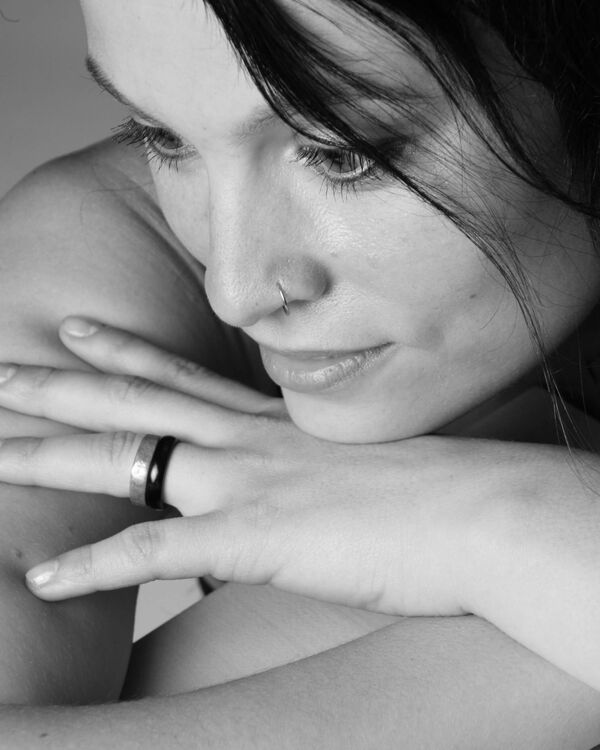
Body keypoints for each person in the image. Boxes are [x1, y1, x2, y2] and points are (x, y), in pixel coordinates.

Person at [1, 0, 600, 746]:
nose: (234, 289)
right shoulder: (115, 240)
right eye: (163, 137)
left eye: (343, 154)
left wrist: (500, 523)